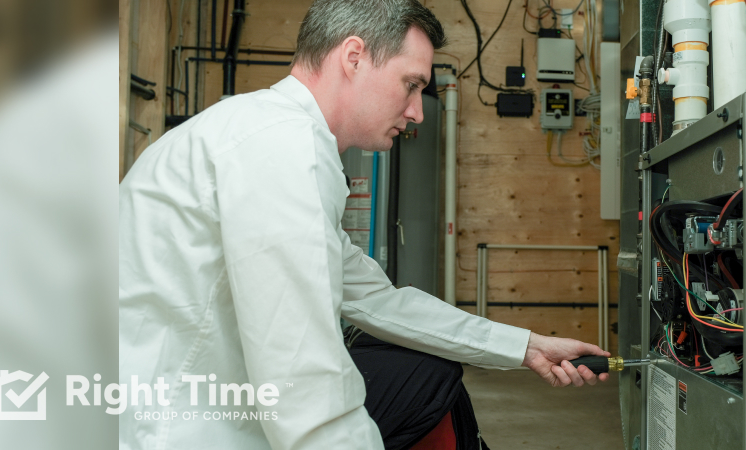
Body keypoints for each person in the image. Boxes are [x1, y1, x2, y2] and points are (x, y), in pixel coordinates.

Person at [119, 1, 610, 449]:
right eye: (411, 84)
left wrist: (527, 347)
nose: (417, 110)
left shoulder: (259, 132)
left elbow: (379, 300)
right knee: (421, 380)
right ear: (354, 57)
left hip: (178, 400)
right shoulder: (284, 149)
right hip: (182, 426)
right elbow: (303, 378)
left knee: (424, 370)